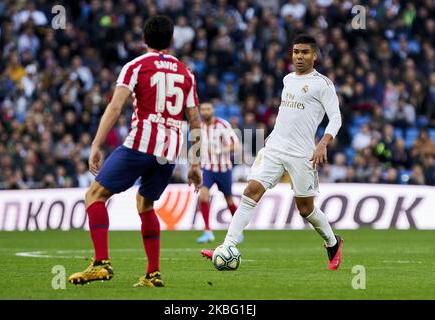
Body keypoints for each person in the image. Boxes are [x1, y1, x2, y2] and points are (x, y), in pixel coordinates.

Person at [68, 15, 202, 288]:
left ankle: (101, 264)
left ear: (144, 39)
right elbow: (195, 119)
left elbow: (115, 107)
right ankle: (153, 274)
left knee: (94, 195)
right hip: (171, 149)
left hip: (142, 143)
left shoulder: (135, 66)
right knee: (145, 203)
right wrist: (196, 163)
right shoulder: (186, 72)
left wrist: (96, 143)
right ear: (172, 40)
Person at [201, 34, 344, 270]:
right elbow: (288, 112)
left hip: (302, 154)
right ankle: (227, 245)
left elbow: (336, 118)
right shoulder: (288, 79)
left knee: (305, 209)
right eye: (296, 51)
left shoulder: (323, 84)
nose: (299, 56)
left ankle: (332, 242)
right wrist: (274, 133)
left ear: (314, 56)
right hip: (275, 147)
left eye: (305, 52)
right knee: (250, 191)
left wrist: (323, 143)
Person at [197, 102, 241, 243]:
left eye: (208, 109)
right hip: (207, 169)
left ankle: (238, 230)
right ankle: (208, 231)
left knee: (229, 200)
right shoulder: (198, 127)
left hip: (224, 169)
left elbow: (236, 146)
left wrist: (219, 151)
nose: (205, 111)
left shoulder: (223, 125)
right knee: (203, 195)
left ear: (213, 110)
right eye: (203, 109)